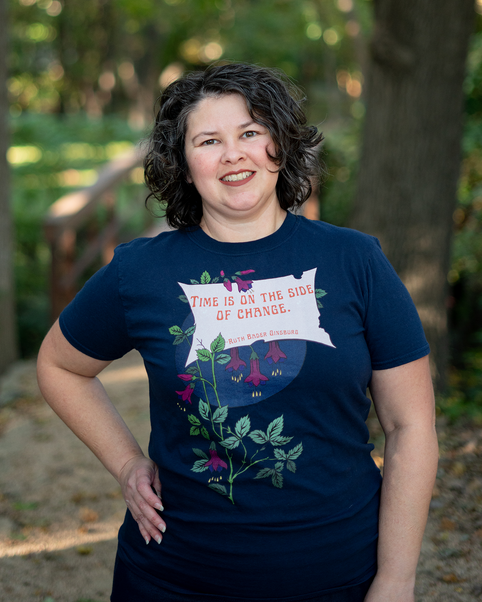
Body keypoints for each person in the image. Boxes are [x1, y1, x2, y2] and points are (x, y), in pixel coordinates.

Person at [37, 63, 438, 602]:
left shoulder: (353, 260)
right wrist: (128, 462)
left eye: (250, 132)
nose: (233, 154)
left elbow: (410, 425)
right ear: (183, 165)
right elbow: (60, 366)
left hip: (338, 573)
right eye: (208, 140)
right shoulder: (141, 272)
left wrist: (396, 579)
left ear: (280, 144)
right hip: (175, 577)